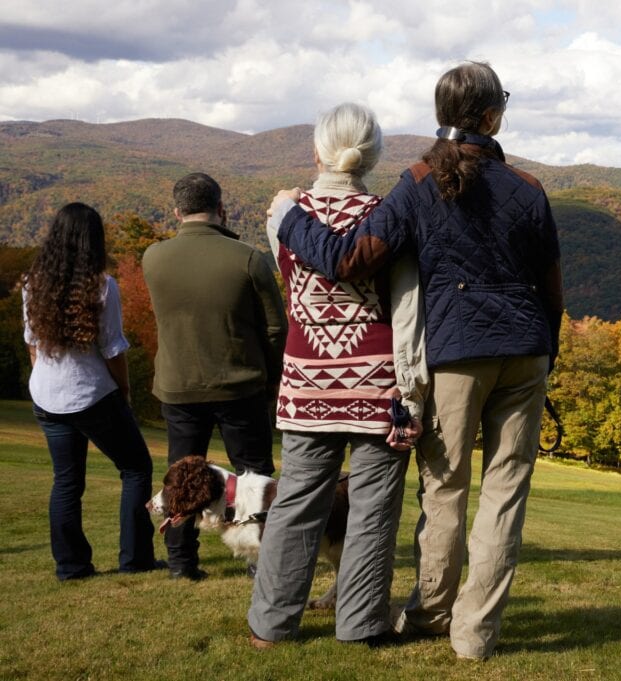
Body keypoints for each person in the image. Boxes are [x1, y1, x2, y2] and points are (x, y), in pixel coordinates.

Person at [269, 61, 563, 660]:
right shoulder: (528, 189)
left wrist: (290, 219)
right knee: (506, 493)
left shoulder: (418, 183)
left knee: (445, 489)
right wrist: (545, 355)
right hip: (524, 351)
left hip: (456, 355)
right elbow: (551, 288)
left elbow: (349, 260)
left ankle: (431, 612)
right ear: (491, 116)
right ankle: (476, 634)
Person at [248, 103, 428, 648]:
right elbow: (407, 310)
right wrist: (413, 393)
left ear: (317, 151)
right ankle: (361, 624)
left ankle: (271, 625)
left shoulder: (284, 215)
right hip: (378, 383)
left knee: (296, 503)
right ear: (374, 155)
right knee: (373, 509)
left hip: (307, 381)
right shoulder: (387, 217)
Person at [143, 172, 286, 581]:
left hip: (178, 383)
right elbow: (276, 328)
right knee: (255, 473)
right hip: (240, 383)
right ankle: (264, 559)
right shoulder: (247, 258)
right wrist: (272, 376)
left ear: (176, 211)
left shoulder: (153, 257)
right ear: (221, 208)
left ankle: (182, 563)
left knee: (179, 474)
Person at [22, 202, 162, 580]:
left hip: (47, 395)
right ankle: (135, 559)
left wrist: (46, 384)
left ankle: (71, 566)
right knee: (135, 468)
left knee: (67, 481)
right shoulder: (102, 286)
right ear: (93, 241)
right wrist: (125, 393)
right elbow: (113, 348)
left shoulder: (33, 283)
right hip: (91, 394)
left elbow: (32, 343)